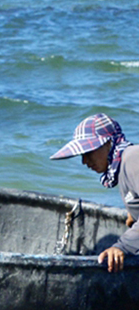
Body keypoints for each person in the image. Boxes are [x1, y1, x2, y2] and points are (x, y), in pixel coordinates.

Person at [51, 113, 139, 273]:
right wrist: (134, 213)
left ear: (109, 143)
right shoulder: (122, 168)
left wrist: (123, 246)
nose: (84, 161)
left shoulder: (133, 158)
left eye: (88, 152)